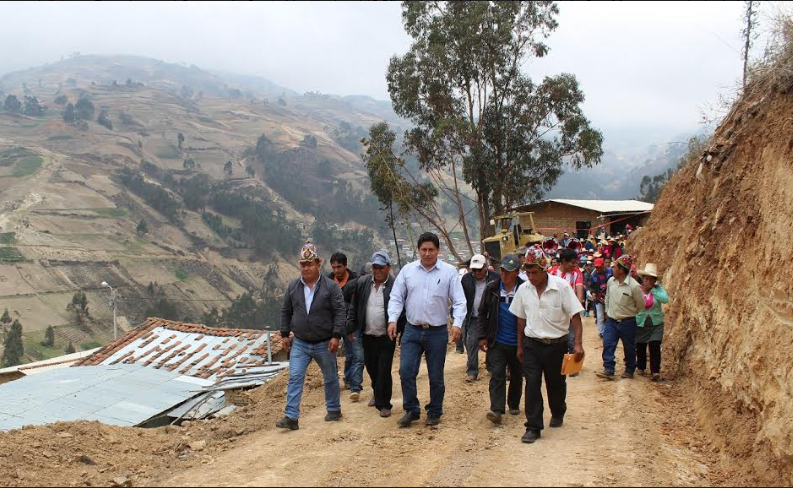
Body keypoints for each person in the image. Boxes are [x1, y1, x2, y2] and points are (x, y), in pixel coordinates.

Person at [387, 232, 467, 428]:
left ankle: (434, 411)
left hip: (437, 332)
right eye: (424, 249)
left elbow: (459, 301)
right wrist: (392, 320)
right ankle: (411, 410)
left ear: (438, 250)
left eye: (431, 250)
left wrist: (457, 324)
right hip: (412, 330)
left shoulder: (448, 272)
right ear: (418, 250)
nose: (428, 253)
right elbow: (396, 297)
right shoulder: (407, 271)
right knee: (405, 371)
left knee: (436, 375)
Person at [511, 247, 585, 444]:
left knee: (555, 384)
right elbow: (520, 320)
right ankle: (533, 426)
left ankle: (558, 411)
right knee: (532, 384)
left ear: (544, 270)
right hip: (532, 345)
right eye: (527, 272)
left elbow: (575, 317)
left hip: (556, 345)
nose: (531, 276)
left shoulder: (561, 287)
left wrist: (577, 343)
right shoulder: (523, 290)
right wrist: (519, 347)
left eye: (534, 272)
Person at [277, 242, 347, 431]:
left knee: (330, 376)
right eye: (303, 265)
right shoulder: (293, 287)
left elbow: (340, 312)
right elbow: (286, 311)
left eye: (310, 264)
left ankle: (333, 409)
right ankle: (291, 417)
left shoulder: (331, 287)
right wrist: (284, 334)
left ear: (318, 264)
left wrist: (336, 336)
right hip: (299, 341)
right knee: (295, 377)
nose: (306, 268)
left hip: (324, 341)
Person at [346, 251, 405, 417]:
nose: (377, 270)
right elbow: (354, 306)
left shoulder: (395, 285)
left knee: (384, 369)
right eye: (375, 267)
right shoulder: (363, 283)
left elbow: (402, 310)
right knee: (372, 368)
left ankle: (384, 403)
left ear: (388, 267)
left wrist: (399, 329)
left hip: (387, 336)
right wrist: (350, 327)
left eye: (381, 267)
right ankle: (377, 392)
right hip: (367, 334)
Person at [478, 254, 525, 424]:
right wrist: (482, 336)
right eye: (503, 271)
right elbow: (482, 312)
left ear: (517, 273)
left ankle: (513, 403)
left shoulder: (525, 289)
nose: (504, 275)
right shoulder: (492, 288)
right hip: (497, 340)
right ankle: (496, 409)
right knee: (497, 374)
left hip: (519, 342)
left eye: (509, 272)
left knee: (517, 374)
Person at [596, 255, 644, 380]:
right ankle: (608, 369)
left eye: (615, 267)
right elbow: (607, 298)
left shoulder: (634, 286)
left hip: (627, 322)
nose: (612, 269)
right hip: (611, 321)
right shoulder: (611, 281)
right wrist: (607, 311)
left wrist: (630, 314)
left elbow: (641, 305)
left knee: (629, 347)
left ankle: (629, 369)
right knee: (608, 343)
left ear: (621, 270)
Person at [329, 252, 363, 401]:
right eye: (334, 267)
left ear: (345, 265)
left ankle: (351, 381)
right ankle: (333, 380)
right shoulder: (328, 281)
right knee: (330, 354)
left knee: (354, 353)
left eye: (339, 267)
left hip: (351, 323)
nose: (336, 270)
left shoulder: (356, 281)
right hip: (332, 324)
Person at [461, 254, 499, 382]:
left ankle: (491, 367)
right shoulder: (466, 280)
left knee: (493, 343)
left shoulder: (495, 278)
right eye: (474, 270)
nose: (477, 272)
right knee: (471, 343)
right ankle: (472, 371)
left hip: (492, 317)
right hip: (474, 317)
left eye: (479, 269)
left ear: (486, 267)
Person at [548, 249, 586, 358]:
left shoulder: (577, 273)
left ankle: (573, 366)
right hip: (554, 314)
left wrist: (577, 309)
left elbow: (579, 290)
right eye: (572, 262)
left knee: (572, 340)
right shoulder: (551, 272)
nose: (574, 265)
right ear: (564, 261)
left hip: (570, 314)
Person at [636, 263, 669, 382]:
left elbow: (665, 299)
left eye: (651, 279)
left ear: (655, 281)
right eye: (646, 279)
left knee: (655, 345)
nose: (648, 281)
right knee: (640, 345)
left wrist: (653, 290)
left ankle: (655, 371)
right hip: (641, 322)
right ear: (642, 279)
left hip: (656, 323)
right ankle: (640, 367)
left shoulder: (658, 290)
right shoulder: (637, 290)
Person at [589, 258, 613, 338]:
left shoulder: (610, 272)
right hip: (598, 298)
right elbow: (591, 286)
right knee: (600, 316)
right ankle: (601, 332)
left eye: (599, 267)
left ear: (603, 265)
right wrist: (592, 292)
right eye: (596, 267)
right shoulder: (593, 275)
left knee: (609, 315)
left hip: (610, 297)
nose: (598, 268)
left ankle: (609, 331)